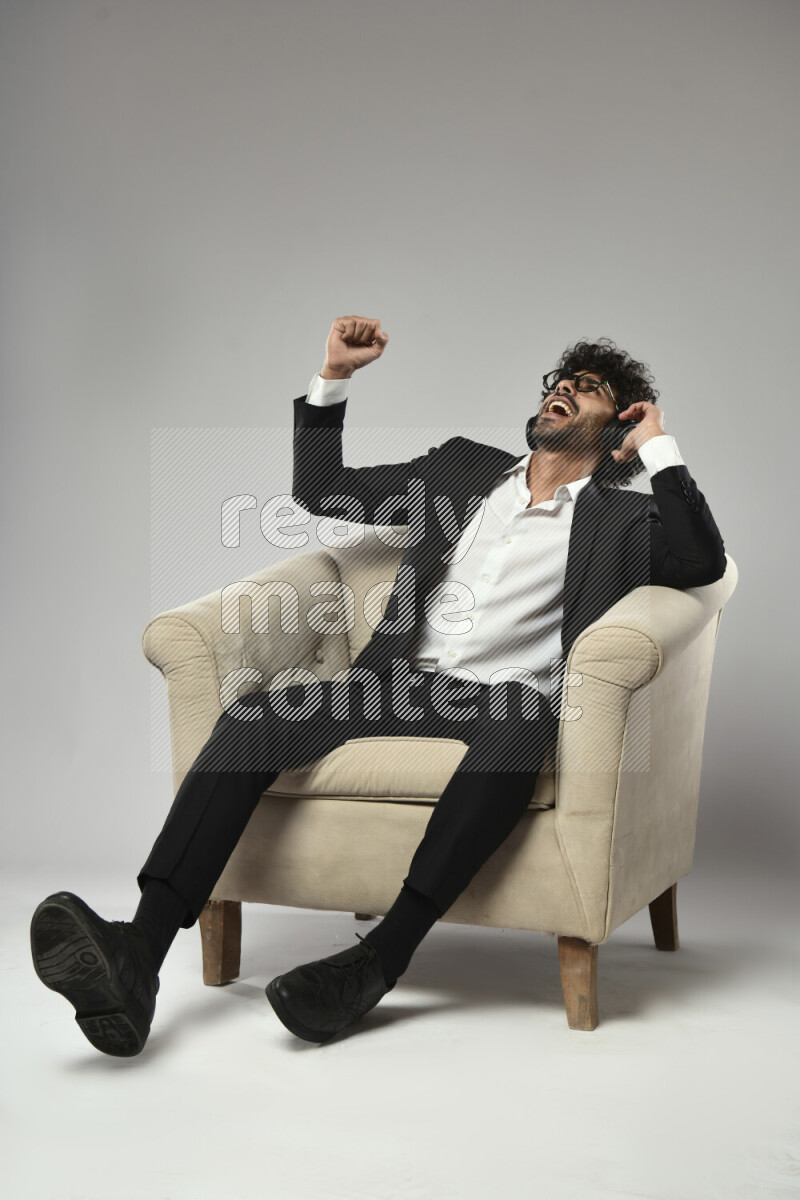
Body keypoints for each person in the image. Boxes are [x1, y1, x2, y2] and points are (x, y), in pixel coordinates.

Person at [30, 315, 727, 1054]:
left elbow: (702, 562)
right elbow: (320, 488)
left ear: (614, 425)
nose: (564, 389)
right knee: (254, 717)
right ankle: (138, 955)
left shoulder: (624, 517)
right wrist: (334, 378)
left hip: (502, 702)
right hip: (393, 682)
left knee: (525, 719)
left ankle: (378, 960)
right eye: (562, 380)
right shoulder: (460, 468)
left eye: (589, 390)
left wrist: (657, 448)